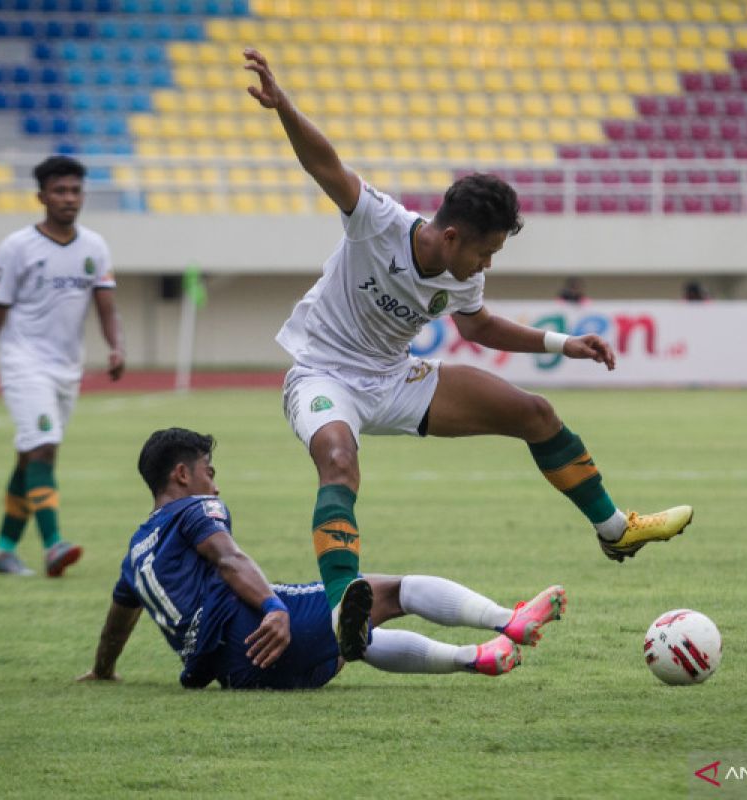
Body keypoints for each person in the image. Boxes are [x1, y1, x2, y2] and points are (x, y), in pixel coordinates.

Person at [242, 48, 694, 659]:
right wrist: (283, 106)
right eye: (485, 252)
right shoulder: (376, 221)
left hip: (395, 378)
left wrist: (564, 344)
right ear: (450, 235)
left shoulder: (461, 275)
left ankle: (615, 531)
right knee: (339, 460)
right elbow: (326, 164)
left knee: (534, 413)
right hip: (324, 375)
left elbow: (478, 327)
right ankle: (344, 603)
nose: (487, 265)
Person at [77, 428, 567, 690]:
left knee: (350, 634)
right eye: (210, 471)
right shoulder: (194, 507)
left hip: (240, 674)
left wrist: (103, 669)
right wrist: (272, 608)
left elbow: (118, 620)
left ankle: (473, 659)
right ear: (182, 475)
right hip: (259, 629)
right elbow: (228, 558)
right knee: (387, 592)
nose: (216, 484)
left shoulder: (135, 552)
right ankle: (510, 621)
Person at [0, 155, 125, 578]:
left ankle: (2, 553)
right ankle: (54, 546)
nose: (69, 199)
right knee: (44, 447)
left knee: (31, 457)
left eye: (75, 191)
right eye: (60, 191)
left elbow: (106, 305)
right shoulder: (17, 248)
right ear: (42, 196)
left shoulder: (94, 247)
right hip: (23, 362)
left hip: (68, 369)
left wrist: (116, 346)